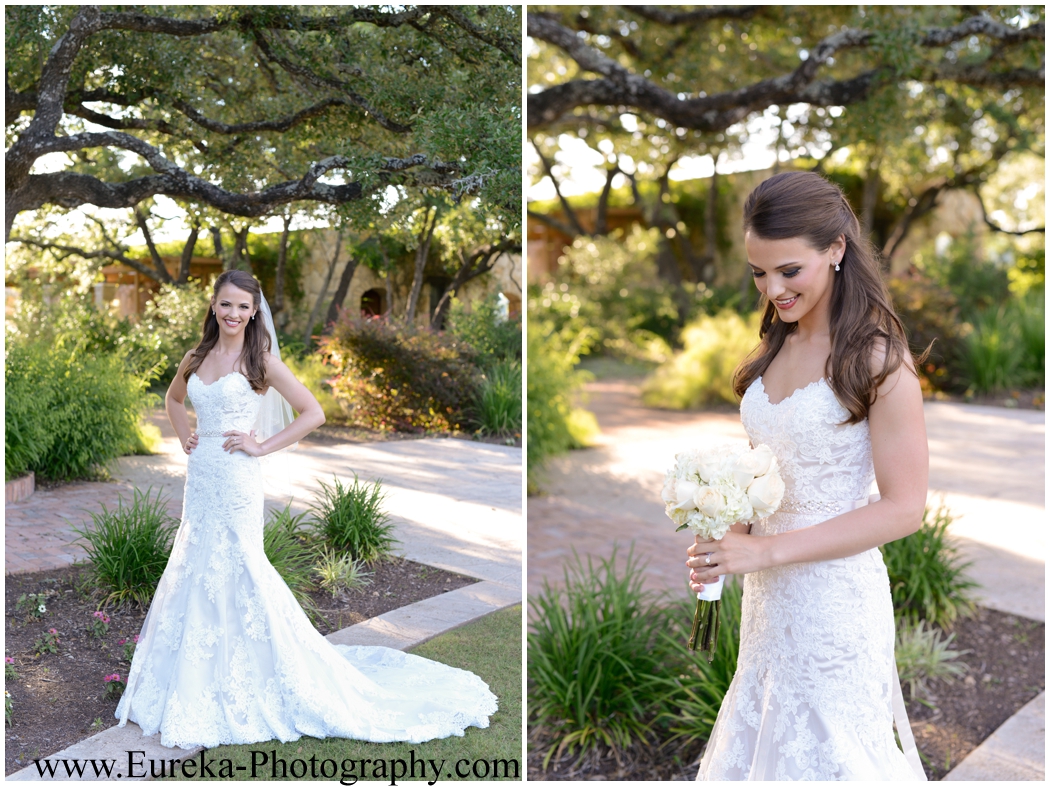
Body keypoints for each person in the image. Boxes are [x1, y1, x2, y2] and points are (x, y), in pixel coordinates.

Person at [115, 269, 497, 748]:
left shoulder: (262, 360)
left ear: (254, 312)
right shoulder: (196, 356)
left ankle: (255, 676)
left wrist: (262, 446)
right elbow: (174, 399)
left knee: (240, 567)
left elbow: (313, 412)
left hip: (236, 478)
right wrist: (184, 435)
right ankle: (194, 677)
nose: (234, 314)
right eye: (226, 304)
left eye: (243, 306)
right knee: (197, 564)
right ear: (213, 306)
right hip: (203, 476)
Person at [687, 172, 928, 780]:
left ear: (837, 250)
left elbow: (904, 510)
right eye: (759, 273)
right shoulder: (774, 348)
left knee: (833, 753)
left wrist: (764, 550)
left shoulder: (878, 361)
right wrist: (726, 534)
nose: (773, 289)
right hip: (769, 604)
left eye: (789, 271)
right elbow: (766, 468)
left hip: (835, 604)